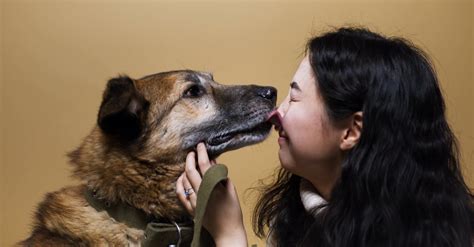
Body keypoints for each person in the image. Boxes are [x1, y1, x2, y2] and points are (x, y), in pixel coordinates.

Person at [176, 27, 474, 247]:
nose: (274, 113)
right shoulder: (295, 219)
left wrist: (230, 234)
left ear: (351, 131)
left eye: (294, 98)